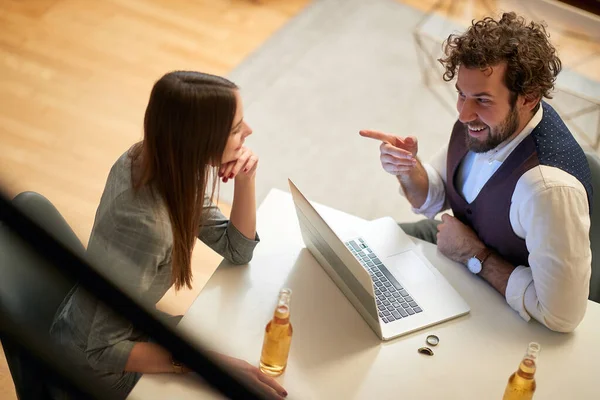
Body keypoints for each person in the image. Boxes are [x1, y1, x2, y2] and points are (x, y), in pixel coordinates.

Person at [49, 71, 287, 399]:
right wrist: (208, 366)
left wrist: (247, 178)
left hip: (131, 328)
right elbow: (102, 350)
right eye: (235, 129)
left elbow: (237, 248)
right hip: (98, 371)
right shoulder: (146, 226)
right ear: (199, 140)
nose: (249, 132)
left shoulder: (163, 163)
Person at [360, 12, 593, 333]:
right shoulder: (486, 123)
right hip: (456, 242)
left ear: (529, 98)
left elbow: (562, 315)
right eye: (461, 94)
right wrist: (407, 169)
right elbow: (434, 198)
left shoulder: (547, 190)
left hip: (502, 291)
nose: (464, 113)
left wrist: (474, 255)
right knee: (359, 252)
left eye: (482, 99)